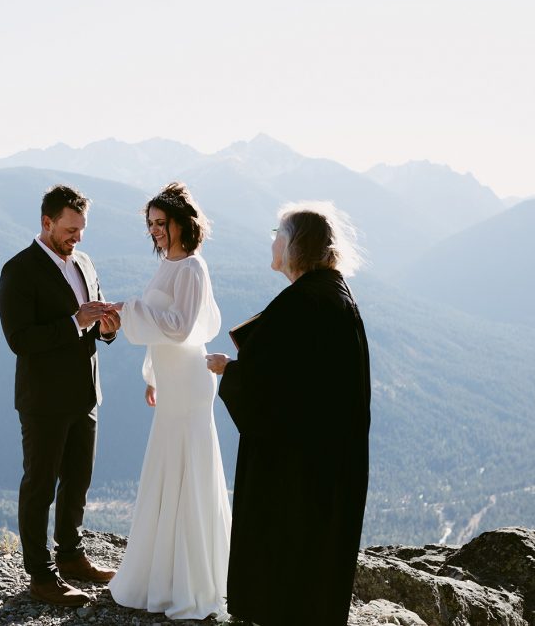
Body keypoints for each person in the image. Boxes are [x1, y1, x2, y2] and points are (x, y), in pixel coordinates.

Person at [206, 201, 371, 626]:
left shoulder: (305, 303)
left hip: (297, 467)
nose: (273, 241)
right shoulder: (327, 295)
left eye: (279, 234)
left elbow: (272, 389)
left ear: (297, 245)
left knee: (288, 565)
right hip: (323, 461)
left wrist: (232, 372)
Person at [107, 182, 232, 620]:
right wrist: (150, 375)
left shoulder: (193, 269)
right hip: (171, 380)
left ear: (182, 223)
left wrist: (127, 308)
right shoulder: (168, 265)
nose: (156, 231)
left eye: (162, 223)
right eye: (152, 225)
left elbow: (180, 328)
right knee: (167, 468)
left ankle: (189, 582)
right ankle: (162, 573)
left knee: (187, 471)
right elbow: (161, 329)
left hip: (191, 385)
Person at [0, 184, 121, 607]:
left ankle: (71, 556)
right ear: (46, 223)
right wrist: (74, 321)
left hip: (86, 394)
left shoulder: (84, 262)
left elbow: (92, 322)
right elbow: (19, 339)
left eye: (82, 229)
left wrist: (106, 329)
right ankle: (41, 575)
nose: (77, 238)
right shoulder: (19, 270)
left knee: (77, 483)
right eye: (70, 229)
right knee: (39, 487)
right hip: (44, 401)